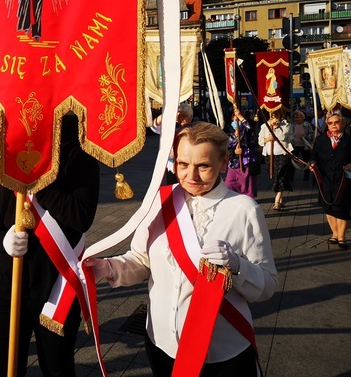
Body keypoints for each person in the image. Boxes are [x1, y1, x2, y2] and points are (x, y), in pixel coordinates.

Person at [84, 122, 277, 376]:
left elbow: (268, 285)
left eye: (203, 166)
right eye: (183, 164)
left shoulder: (244, 209)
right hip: (161, 343)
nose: (191, 176)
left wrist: (238, 266)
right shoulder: (160, 201)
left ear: (223, 162)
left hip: (221, 350)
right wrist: (108, 267)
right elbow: (141, 260)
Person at [0, 114, 100, 376]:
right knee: (4, 369)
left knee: (57, 368)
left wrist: (37, 184)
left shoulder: (77, 154)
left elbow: (81, 216)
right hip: (7, 280)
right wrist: (0, 238)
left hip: (56, 283)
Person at [310, 112, 351, 250]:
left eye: (336, 122)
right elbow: (313, 155)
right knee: (329, 207)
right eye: (330, 123)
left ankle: (342, 237)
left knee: (342, 208)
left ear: (342, 123)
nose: (333, 125)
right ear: (327, 124)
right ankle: (335, 234)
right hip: (325, 179)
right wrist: (313, 163)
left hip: (343, 178)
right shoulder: (320, 140)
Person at [258, 109, 294, 211]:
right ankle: (280, 198)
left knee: (280, 176)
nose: (274, 116)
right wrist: (267, 139)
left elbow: (284, 137)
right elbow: (260, 141)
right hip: (269, 155)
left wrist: (276, 128)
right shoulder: (264, 126)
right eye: (272, 114)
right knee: (274, 176)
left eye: (276, 114)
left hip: (282, 155)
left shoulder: (286, 125)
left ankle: (277, 201)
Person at [151, 102, 194, 184]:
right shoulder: (170, 128)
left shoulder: (196, 128)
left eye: (184, 116)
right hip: (173, 166)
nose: (181, 118)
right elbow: (154, 126)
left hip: (189, 165)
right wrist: (169, 113)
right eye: (179, 116)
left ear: (190, 117)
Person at [225, 107, 260, 198]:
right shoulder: (230, 131)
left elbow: (251, 129)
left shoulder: (247, 130)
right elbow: (226, 146)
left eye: (238, 118)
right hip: (234, 164)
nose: (236, 120)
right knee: (229, 185)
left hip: (246, 162)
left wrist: (241, 117)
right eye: (234, 118)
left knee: (247, 189)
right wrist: (234, 151)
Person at [291, 110, 315, 181]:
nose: (297, 119)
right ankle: (291, 176)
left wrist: (304, 136)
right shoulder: (293, 125)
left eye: (299, 117)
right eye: (295, 118)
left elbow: (312, 135)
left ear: (302, 118)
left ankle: (306, 176)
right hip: (295, 145)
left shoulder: (306, 125)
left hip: (305, 146)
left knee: (306, 161)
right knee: (293, 161)